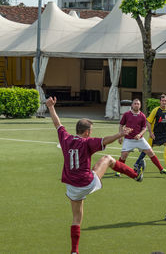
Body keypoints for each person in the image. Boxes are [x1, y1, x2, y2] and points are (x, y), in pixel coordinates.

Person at [46, 97, 144, 254]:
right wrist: (120, 134)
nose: (92, 132)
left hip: (71, 186)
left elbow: (57, 124)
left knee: (77, 218)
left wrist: (51, 107)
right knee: (108, 159)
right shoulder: (87, 142)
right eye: (91, 130)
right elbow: (105, 140)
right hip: (86, 183)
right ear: (86, 132)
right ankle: (135, 174)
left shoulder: (65, 138)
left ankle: (74, 251)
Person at [117, 98, 166, 177]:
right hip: (128, 139)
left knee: (151, 152)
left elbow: (144, 128)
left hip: (139, 139)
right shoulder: (126, 114)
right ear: (132, 105)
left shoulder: (142, 116)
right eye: (135, 103)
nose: (136, 105)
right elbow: (121, 125)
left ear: (140, 106)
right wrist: (120, 136)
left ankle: (161, 169)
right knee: (124, 154)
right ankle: (119, 171)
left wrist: (139, 135)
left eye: (138, 104)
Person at [135, 94, 166, 170]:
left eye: (165, 101)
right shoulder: (156, 110)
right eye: (162, 101)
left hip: (164, 135)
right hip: (154, 135)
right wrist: (151, 133)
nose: (164, 102)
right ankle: (137, 163)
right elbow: (148, 122)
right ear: (160, 102)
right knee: (146, 149)